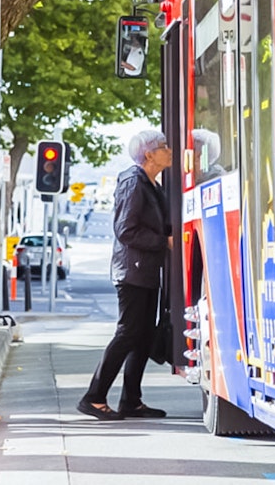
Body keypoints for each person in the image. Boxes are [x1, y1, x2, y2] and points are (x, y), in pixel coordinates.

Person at [77, 129, 173, 420]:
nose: (170, 150)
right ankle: (93, 397)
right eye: (164, 146)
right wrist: (162, 242)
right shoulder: (134, 182)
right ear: (149, 154)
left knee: (143, 336)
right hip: (133, 272)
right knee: (128, 333)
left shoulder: (153, 185)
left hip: (146, 271)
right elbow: (125, 229)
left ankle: (132, 400)